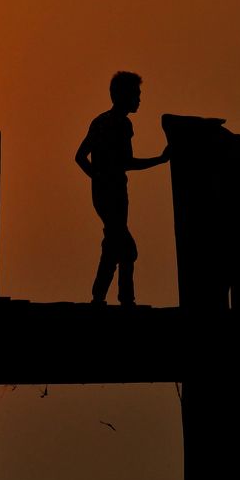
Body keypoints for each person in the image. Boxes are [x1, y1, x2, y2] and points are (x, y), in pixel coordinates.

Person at [75, 71, 169, 306]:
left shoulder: (100, 121)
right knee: (126, 249)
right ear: (123, 95)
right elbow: (127, 163)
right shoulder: (121, 124)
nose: (139, 99)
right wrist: (160, 160)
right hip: (113, 195)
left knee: (114, 244)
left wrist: (96, 178)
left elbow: (80, 157)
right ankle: (122, 299)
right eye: (136, 94)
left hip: (103, 194)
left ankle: (102, 297)